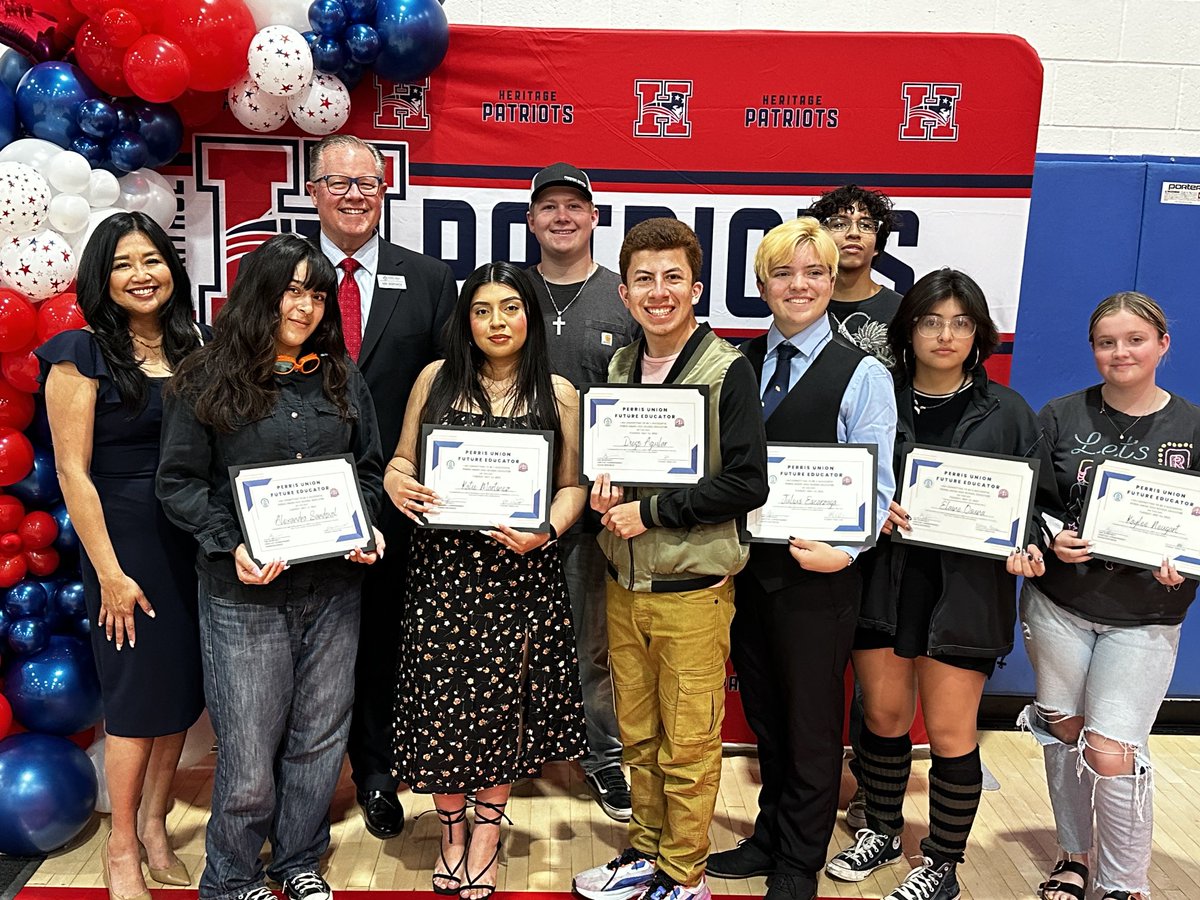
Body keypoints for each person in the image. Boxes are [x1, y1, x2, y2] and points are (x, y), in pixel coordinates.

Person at [157, 234, 385, 900]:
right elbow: (178, 483)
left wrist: (365, 525)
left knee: (319, 740)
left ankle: (297, 862)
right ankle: (230, 878)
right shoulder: (205, 375)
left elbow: (366, 470)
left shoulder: (342, 375)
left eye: (317, 293)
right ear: (260, 290)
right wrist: (233, 543)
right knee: (250, 755)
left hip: (335, 587)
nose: (307, 306)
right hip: (245, 595)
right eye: (293, 289)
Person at [823, 268, 1048, 900]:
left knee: (950, 732)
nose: (945, 335)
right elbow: (848, 477)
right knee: (886, 718)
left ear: (979, 333)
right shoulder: (878, 393)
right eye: (930, 321)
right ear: (908, 330)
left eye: (960, 322)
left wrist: (1025, 543)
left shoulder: (1006, 410)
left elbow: (1034, 504)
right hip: (885, 581)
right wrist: (873, 508)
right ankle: (884, 830)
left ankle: (944, 862)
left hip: (967, 592)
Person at [572, 218, 769, 900]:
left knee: (687, 743)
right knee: (639, 738)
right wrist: (607, 491)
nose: (660, 293)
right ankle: (646, 853)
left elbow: (747, 482)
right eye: (645, 281)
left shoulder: (729, 369)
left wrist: (650, 510)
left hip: (692, 587)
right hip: (625, 582)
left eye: (673, 278)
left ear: (697, 288)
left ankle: (685, 876)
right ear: (625, 294)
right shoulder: (621, 367)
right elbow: (624, 469)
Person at [705, 218, 896, 900]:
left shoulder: (863, 372)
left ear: (833, 281)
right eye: (784, 273)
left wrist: (846, 549)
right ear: (762, 284)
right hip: (745, 571)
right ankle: (769, 835)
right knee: (765, 714)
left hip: (818, 576)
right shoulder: (737, 365)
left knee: (813, 724)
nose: (799, 285)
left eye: (813, 272)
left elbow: (877, 485)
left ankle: (799, 860)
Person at [386, 261, 587, 900]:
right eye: (481, 310)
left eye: (510, 308)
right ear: (464, 319)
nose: (496, 322)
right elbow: (400, 458)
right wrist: (395, 481)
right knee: (443, 706)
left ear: (532, 315)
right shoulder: (433, 379)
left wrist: (547, 531)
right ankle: (450, 827)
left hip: (520, 574)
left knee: (505, 708)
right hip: (442, 575)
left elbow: (572, 486)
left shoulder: (558, 393)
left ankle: (487, 832)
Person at [38, 212, 207, 900]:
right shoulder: (79, 353)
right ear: (101, 278)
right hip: (125, 545)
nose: (142, 276)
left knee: (181, 698)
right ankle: (121, 848)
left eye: (154, 260)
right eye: (124, 264)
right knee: (138, 703)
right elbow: (74, 473)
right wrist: (108, 572)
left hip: (192, 540)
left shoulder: (196, 345)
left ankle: (158, 824)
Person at [1020, 292, 1200, 900]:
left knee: (1112, 747)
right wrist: (1052, 539)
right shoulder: (1060, 416)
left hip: (1145, 616)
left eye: (1135, 340)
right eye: (1106, 342)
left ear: (1162, 345)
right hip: (1059, 608)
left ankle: (1125, 884)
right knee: (1064, 729)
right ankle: (1074, 857)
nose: (1120, 352)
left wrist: (1189, 567)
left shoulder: (1194, 428)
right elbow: (1031, 502)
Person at [307, 132, 456, 839]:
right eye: (339, 184)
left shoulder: (426, 277)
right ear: (314, 192)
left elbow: (448, 393)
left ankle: (376, 773)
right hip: (301, 504)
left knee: (382, 643)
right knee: (306, 647)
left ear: (384, 190)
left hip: (398, 501)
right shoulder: (285, 272)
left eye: (367, 183)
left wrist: (416, 472)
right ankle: (297, 787)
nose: (355, 196)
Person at [526, 161, 638, 820]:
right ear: (532, 219)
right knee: (502, 640)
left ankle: (604, 757)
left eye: (575, 206)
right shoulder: (510, 290)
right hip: (512, 501)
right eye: (550, 207)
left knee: (590, 643)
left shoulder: (621, 296)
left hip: (597, 507)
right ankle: (502, 758)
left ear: (595, 218)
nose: (562, 216)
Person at [808, 184, 902, 366]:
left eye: (866, 225)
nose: (854, 233)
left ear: (877, 245)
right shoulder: (803, 304)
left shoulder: (902, 310)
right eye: (839, 224)